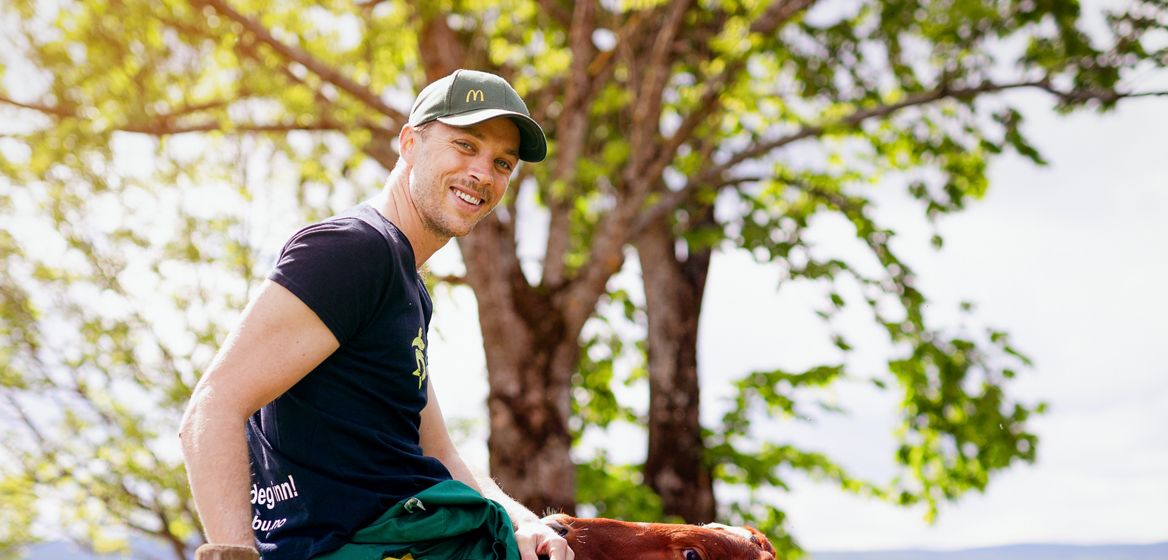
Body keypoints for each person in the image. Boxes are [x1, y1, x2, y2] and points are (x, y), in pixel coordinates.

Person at [180, 69, 572, 560]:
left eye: (502, 163)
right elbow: (212, 405)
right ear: (410, 143)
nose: (484, 174)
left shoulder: (403, 283)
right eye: (466, 146)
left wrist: (524, 522)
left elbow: (439, 451)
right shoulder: (353, 250)